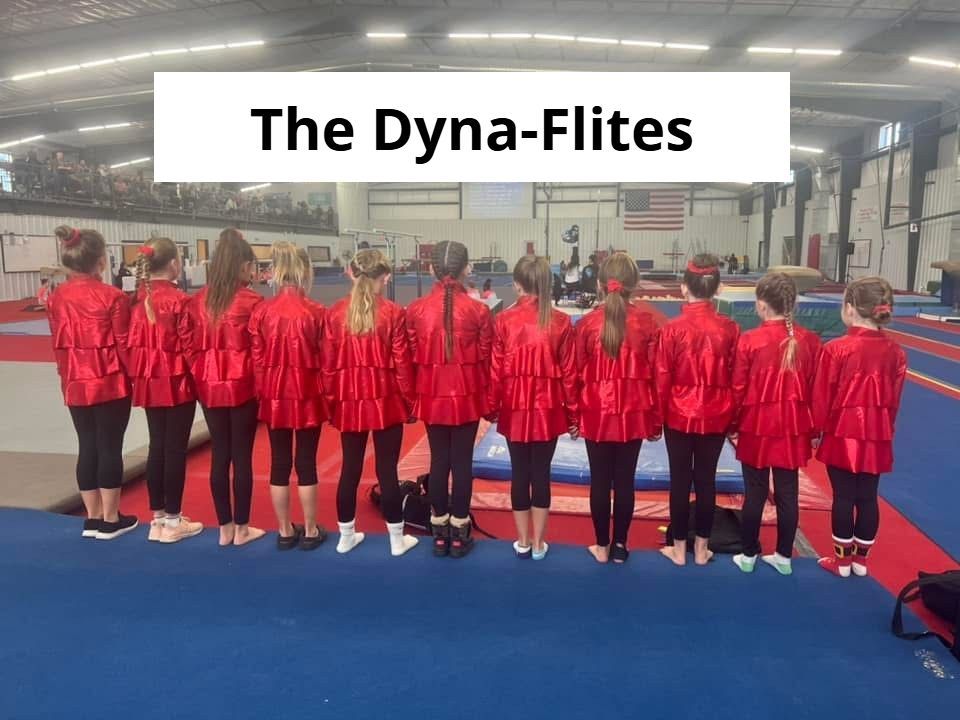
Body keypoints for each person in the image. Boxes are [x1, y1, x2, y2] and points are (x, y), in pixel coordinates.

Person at [322, 248, 419, 557]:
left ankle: (345, 536)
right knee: (387, 470)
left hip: (349, 400)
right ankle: (396, 539)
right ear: (385, 277)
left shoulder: (335, 313)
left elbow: (327, 366)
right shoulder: (393, 312)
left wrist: (331, 402)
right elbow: (403, 363)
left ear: (351, 273)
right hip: (385, 400)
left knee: (349, 469)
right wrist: (410, 402)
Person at [812, 277, 907, 578]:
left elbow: (821, 397)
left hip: (843, 433)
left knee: (843, 496)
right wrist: (885, 429)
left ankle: (841, 562)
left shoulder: (837, 349)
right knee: (868, 496)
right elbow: (894, 400)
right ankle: (860, 562)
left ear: (850, 309)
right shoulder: (896, 352)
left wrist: (815, 431)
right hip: (876, 434)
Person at [47, 226, 136, 540]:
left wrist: (66, 376)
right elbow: (123, 344)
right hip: (110, 381)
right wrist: (136, 377)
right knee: (110, 446)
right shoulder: (113, 296)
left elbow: (58, 344)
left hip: (75, 380)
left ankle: (93, 517)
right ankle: (111, 519)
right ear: (101, 261)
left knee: (87, 445)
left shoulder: (56, 298)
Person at [406, 241, 494, 558]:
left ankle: (439, 530)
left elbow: (412, 357)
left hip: (432, 394)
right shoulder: (479, 311)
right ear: (466, 268)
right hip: (467, 394)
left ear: (431, 269)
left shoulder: (415, 310)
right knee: (462, 462)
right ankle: (459, 530)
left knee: (439, 461)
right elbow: (486, 358)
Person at [488, 256, 578, 560]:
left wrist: (492, 407)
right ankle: (539, 543)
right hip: (548, 409)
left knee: (520, 473)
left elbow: (495, 372)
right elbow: (570, 375)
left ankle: (523, 541)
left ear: (516, 285)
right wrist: (574, 415)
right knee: (541, 473)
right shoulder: (561, 322)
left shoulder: (503, 322)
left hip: (515, 406)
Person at [730, 273, 820, 575]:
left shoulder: (750, 340)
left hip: (757, 426)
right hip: (792, 427)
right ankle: (783, 555)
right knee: (787, 491)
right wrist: (814, 429)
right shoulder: (808, 341)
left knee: (754, 492)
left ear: (760, 305)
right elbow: (815, 389)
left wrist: (733, 424)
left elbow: (738, 388)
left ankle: (748, 554)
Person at [575, 252, 660, 564]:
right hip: (632, 413)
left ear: (599, 285)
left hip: (596, 412)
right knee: (624, 480)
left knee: (600, 480)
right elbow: (656, 375)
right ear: (634, 286)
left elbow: (576, 374)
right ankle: (620, 546)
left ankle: (601, 546)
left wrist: (574, 413)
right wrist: (655, 418)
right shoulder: (647, 323)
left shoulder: (585, 324)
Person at [182, 228, 265, 547]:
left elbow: (189, 346)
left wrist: (202, 371)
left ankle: (225, 527)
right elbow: (260, 349)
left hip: (210, 385)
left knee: (221, 453)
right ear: (243, 267)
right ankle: (242, 527)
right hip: (242, 385)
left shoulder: (197, 301)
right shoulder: (252, 301)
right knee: (241, 456)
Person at [656, 253, 739, 566]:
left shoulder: (673, 329)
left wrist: (657, 416)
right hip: (716, 414)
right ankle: (702, 549)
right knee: (706, 480)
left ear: (683, 288)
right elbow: (737, 378)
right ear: (717, 289)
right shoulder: (729, 329)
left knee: (680, 480)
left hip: (679, 412)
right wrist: (735, 418)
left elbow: (662, 377)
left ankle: (679, 549)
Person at [248, 241, 328, 551]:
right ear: (306, 272)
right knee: (306, 462)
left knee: (279, 462)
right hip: (307, 394)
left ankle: (283, 529)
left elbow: (257, 361)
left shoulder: (262, 312)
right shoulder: (317, 312)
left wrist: (264, 392)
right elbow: (326, 359)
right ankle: (309, 530)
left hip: (275, 394)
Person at [126, 238, 204, 544]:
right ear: (174, 264)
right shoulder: (181, 301)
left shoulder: (136, 302)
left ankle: (157, 519)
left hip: (148, 381)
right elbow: (190, 347)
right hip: (177, 383)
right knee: (174, 450)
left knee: (157, 446)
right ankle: (173, 521)